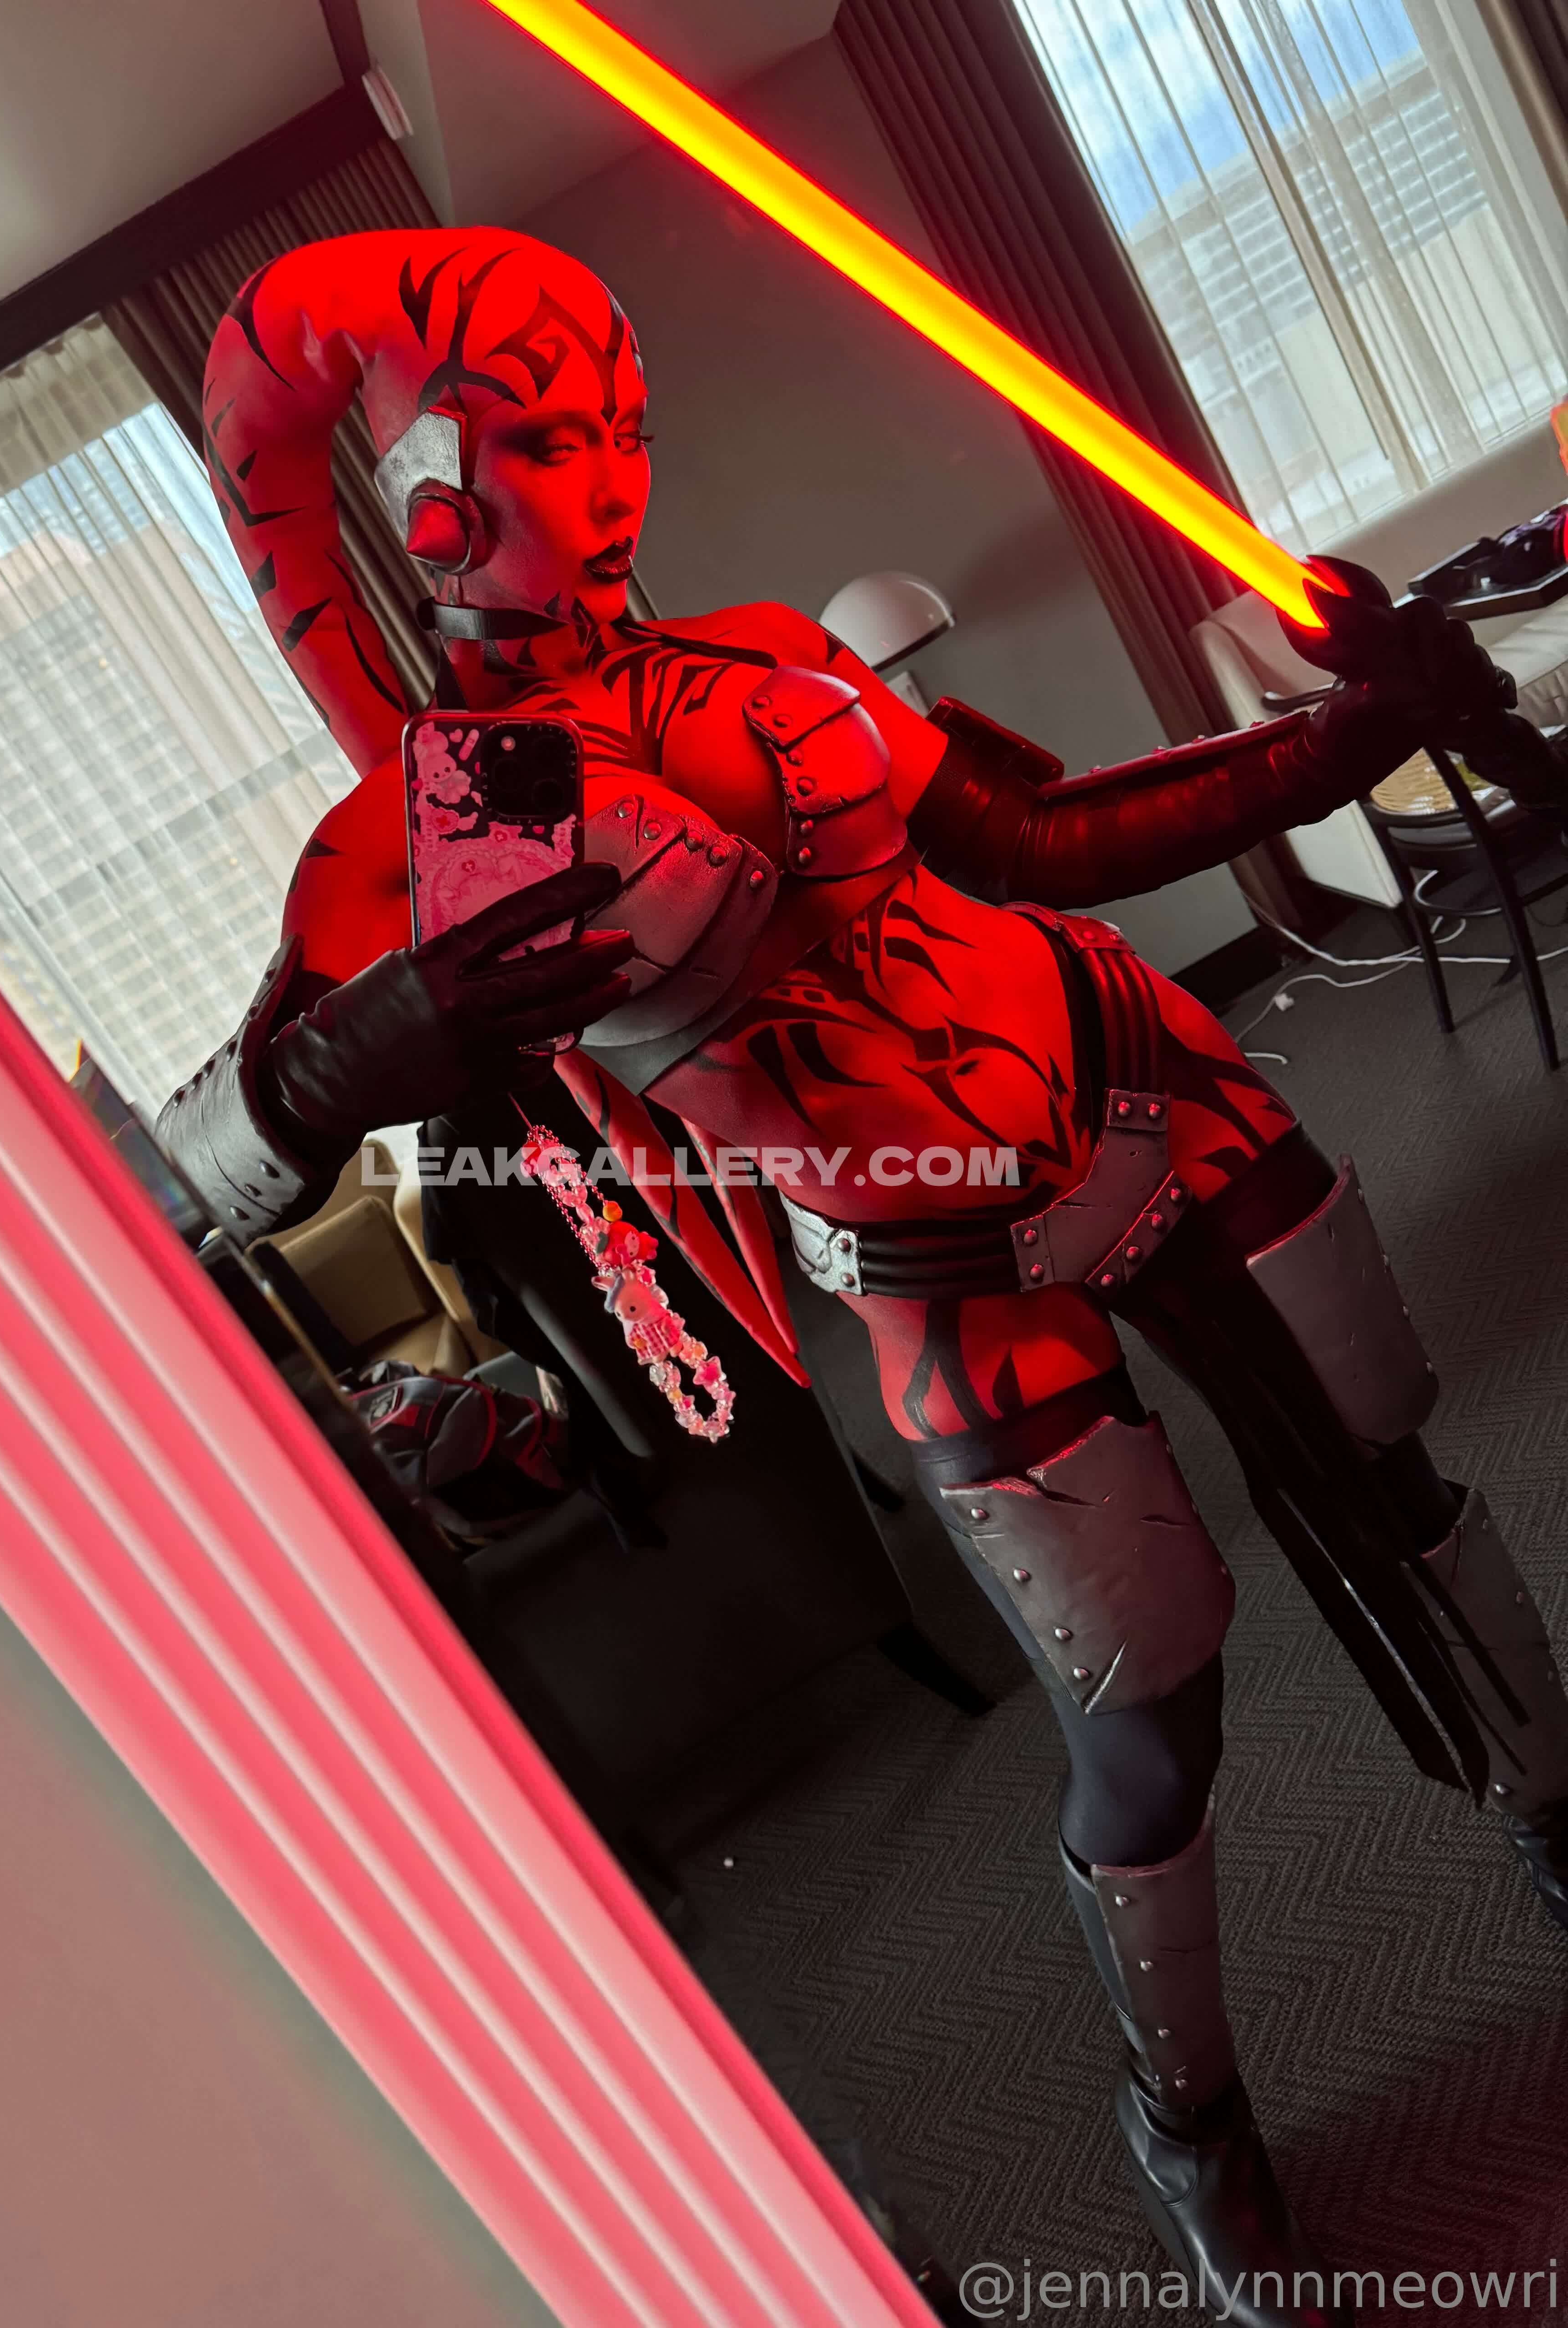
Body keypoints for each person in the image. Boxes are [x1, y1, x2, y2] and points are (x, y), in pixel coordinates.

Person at [159, 228, 1568, 2328]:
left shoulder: (761, 657)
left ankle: (1556, 1812)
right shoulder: (406, 840)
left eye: (618, 419)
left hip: (1159, 1084)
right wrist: (348, 1056)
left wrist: (1357, 735)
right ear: (433, 486)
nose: (607, 474)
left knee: (1405, 1482)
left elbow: (1045, 842)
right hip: (935, 1248)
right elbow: (186, 1193)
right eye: (543, 432)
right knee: (1148, 1701)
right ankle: (1188, 2120)